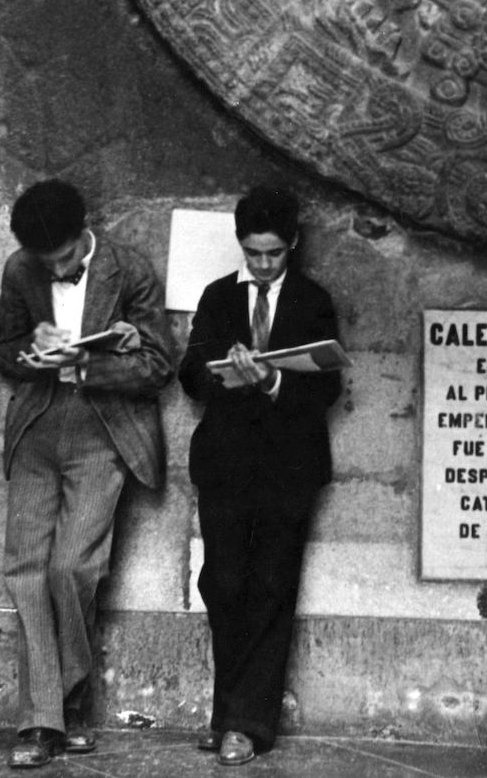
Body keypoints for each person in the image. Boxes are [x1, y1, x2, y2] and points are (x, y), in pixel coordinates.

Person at [0, 179, 175, 768]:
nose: (57, 268)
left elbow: (159, 364)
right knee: (24, 569)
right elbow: (3, 350)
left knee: (73, 568)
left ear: (84, 232)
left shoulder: (130, 268)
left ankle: (69, 700)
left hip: (101, 429)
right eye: (48, 262)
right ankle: (43, 722)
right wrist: (32, 351)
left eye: (66, 258)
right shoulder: (21, 269)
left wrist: (88, 362)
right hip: (37, 427)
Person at [179, 185, 343, 765]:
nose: (265, 264)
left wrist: (272, 381)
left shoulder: (313, 299)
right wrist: (223, 372)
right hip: (224, 463)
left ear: (292, 245)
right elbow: (190, 377)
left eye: (274, 253)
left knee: (272, 586)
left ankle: (247, 725)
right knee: (222, 584)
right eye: (254, 253)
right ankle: (229, 712)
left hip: (288, 468)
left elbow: (327, 386)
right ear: (241, 246)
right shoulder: (217, 297)